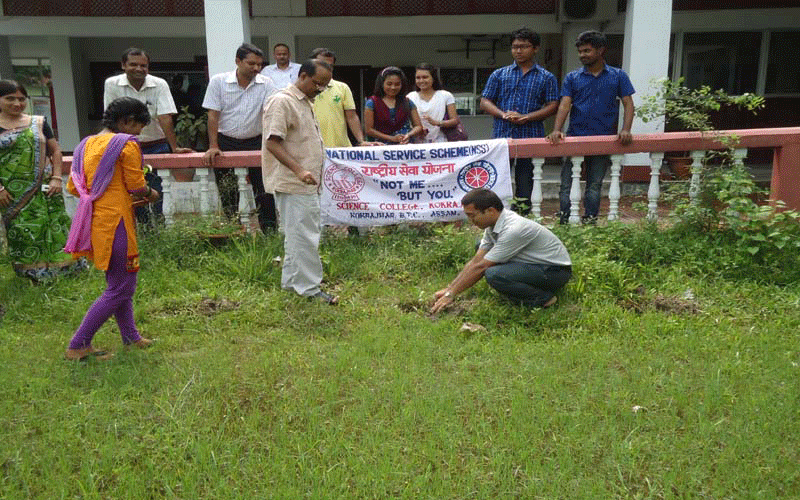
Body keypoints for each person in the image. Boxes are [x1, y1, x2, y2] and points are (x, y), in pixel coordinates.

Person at [64, 97, 160, 360]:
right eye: (137, 128)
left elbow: (74, 186)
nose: (137, 134)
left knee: (119, 280)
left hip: (95, 220)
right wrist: (150, 194)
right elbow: (136, 185)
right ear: (126, 121)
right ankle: (78, 344)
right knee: (121, 287)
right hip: (118, 221)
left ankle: (131, 337)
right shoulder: (126, 144)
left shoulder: (85, 144)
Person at [262, 59, 339, 305]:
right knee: (305, 235)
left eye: (325, 86)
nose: (320, 89)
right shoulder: (282, 101)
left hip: (305, 182)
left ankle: (292, 283)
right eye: (317, 83)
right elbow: (272, 142)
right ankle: (309, 289)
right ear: (303, 75)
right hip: (294, 182)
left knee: (297, 234)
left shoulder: (304, 102)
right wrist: (299, 170)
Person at [431, 188, 572, 313]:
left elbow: (481, 267)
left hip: (554, 271)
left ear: (491, 211)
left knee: (494, 274)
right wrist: (450, 289)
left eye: (472, 215)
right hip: (536, 266)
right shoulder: (493, 225)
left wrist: (451, 295)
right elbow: (476, 261)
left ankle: (543, 298)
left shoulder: (514, 229)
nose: (470, 220)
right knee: (480, 247)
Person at [0, 80, 85, 281]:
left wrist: (56, 177)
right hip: (11, 192)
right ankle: (31, 274)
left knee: (54, 223)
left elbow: (55, 151)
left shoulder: (38, 122)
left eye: (22, 99)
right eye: (10, 98)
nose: (17, 103)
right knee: (23, 229)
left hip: (45, 186)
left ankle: (65, 269)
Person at [547, 30, 635, 225]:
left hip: (602, 139)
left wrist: (626, 129)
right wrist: (557, 129)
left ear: (600, 50)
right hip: (575, 137)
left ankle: (590, 221)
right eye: (580, 51)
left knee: (594, 185)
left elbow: (628, 104)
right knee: (567, 184)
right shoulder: (573, 77)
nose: (582, 55)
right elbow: (564, 105)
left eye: (587, 51)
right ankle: (564, 221)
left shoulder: (618, 76)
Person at [104, 48, 191, 226]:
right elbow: (111, 118)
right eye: (133, 64)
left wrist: (174, 147)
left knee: (158, 191)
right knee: (133, 190)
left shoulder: (159, 84)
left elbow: (165, 116)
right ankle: (145, 230)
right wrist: (112, 145)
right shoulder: (112, 84)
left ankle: (160, 228)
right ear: (123, 65)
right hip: (125, 146)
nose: (139, 69)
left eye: (143, 65)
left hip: (156, 145)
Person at [480, 27, 558, 215]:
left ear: (535, 48)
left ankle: (522, 216)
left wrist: (527, 117)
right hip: (502, 136)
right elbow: (485, 101)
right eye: (515, 47)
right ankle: (497, 216)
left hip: (530, 135)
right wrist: (503, 114)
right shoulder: (499, 74)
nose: (518, 51)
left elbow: (553, 105)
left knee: (525, 180)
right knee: (498, 179)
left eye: (524, 47)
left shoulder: (546, 77)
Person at [202, 43, 278, 232]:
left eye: (259, 64)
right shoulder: (219, 81)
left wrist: (271, 144)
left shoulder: (266, 83)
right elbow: (213, 115)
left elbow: (269, 114)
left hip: (256, 141)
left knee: (264, 189)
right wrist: (213, 145)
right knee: (228, 189)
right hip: (225, 141)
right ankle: (232, 230)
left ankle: (270, 231)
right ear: (238, 61)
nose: (256, 68)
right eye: (251, 63)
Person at [309, 48, 377, 148]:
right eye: (322, 64)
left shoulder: (342, 88)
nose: (326, 68)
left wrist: (361, 141)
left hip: (340, 149)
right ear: (311, 65)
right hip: (312, 148)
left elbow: (352, 117)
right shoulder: (302, 89)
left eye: (330, 66)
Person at [364, 66, 424, 145]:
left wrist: (408, 135)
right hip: (381, 146)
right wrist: (391, 138)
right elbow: (369, 130)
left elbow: (418, 126)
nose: (393, 87)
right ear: (382, 84)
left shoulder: (407, 102)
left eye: (397, 84)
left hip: (405, 145)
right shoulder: (372, 103)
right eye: (389, 84)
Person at [407, 63, 459, 143]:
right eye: (418, 78)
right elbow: (406, 121)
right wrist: (417, 130)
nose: (421, 80)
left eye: (425, 77)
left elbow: (454, 120)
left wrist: (437, 123)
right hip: (417, 142)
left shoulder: (446, 95)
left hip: (440, 142)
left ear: (433, 78)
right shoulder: (410, 97)